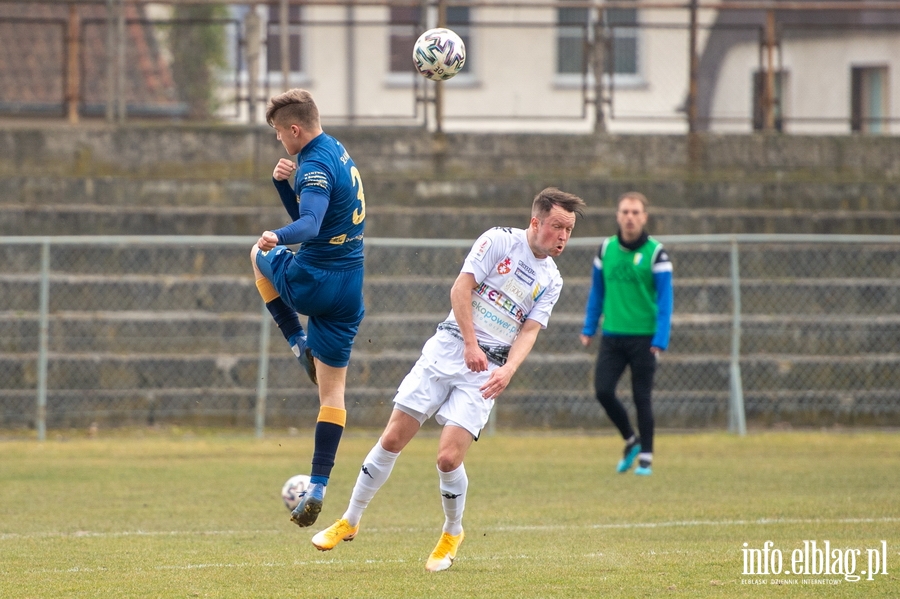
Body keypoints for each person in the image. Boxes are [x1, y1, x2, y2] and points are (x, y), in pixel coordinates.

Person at [310, 188, 586, 571]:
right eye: (557, 227)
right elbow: (461, 288)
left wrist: (507, 370)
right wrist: (470, 344)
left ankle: (452, 531)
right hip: (448, 347)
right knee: (392, 438)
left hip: (486, 371)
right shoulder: (499, 241)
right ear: (536, 222)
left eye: (569, 231)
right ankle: (350, 520)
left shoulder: (552, 280)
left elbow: (529, 331)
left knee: (447, 457)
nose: (563, 237)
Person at [250, 89, 366, 528]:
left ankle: (297, 341)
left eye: (280, 134)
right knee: (332, 393)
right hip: (350, 288)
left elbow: (308, 226)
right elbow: (316, 217)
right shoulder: (334, 148)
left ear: (294, 129)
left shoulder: (313, 165)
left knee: (254, 254)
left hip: (313, 282)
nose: (280, 142)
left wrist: (276, 236)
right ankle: (318, 485)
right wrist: (283, 183)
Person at [580, 191, 673, 476]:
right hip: (612, 335)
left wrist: (660, 338)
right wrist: (589, 326)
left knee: (641, 396)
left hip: (644, 337)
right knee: (603, 391)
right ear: (617, 216)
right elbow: (598, 291)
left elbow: (666, 299)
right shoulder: (605, 249)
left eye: (635, 212)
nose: (630, 217)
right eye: (625, 212)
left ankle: (646, 456)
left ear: (644, 217)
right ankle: (631, 440)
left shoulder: (656, 253)